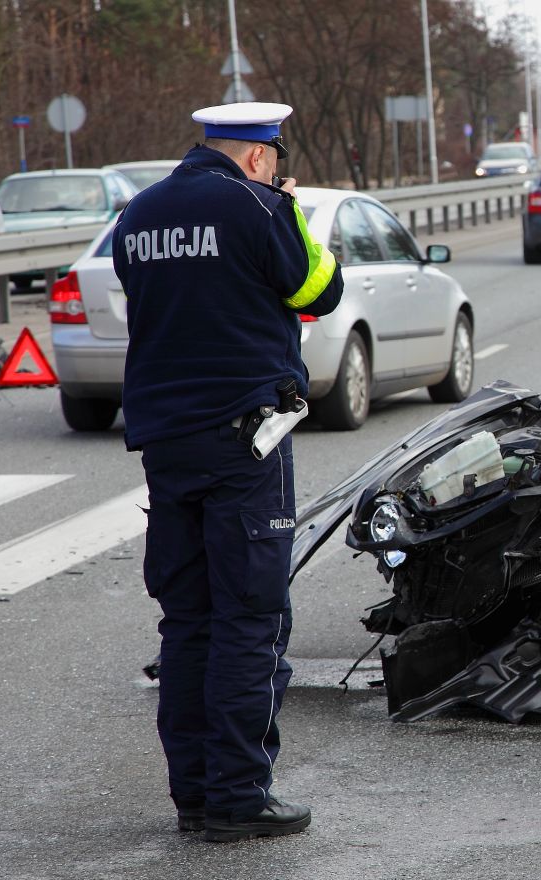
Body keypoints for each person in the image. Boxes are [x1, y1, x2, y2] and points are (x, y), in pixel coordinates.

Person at [112, 102, 343, 843]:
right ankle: (241, 797)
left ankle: (196, 797)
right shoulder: (259, 204)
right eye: (273, 163)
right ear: (257, 157)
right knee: (251, 620)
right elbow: (318, 290)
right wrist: (292, 212)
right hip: (246, 442)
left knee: (189, 623)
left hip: (165, 442)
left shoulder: (140, 214)